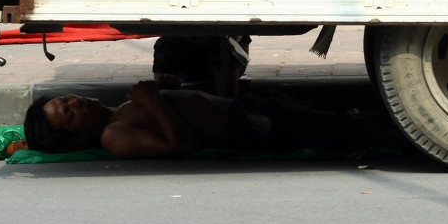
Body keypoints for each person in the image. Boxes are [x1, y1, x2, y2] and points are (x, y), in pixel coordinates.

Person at [22, 81, 390, 160]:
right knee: (342, 129)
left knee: (336, 118)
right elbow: (181, 145)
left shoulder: (117, 112)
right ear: (74, 138)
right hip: (248, 126)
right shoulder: (113, 135)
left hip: (248, 109)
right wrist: (155, 102)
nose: (76, 103)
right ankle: (409, 137)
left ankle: (395, 131)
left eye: (65, 100)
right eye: (69, 113)